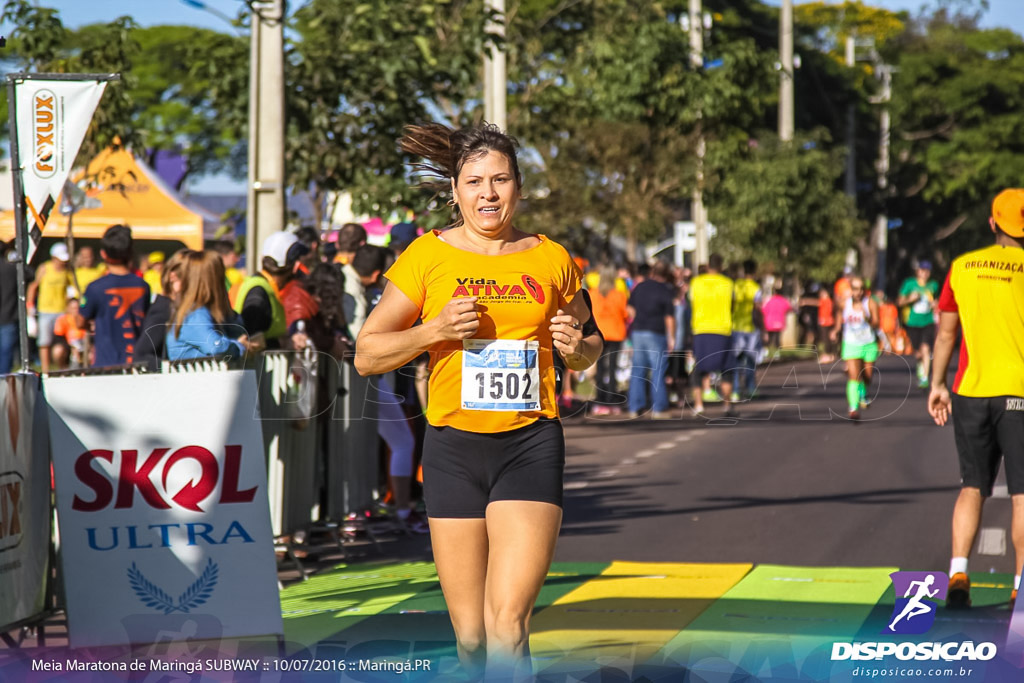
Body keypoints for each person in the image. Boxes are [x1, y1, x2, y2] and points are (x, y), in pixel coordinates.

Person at [355, 122, 596, 680]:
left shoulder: (551, 258)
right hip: (453, 451)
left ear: (518, 185)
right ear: (456, 191)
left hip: (530, 445)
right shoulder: (426, 256)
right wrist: (433, 329)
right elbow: (368, 354)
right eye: (474, 182)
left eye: (500, 179)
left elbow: (590, 340)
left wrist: (577, 351)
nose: (488, 193)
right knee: (471, 638)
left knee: (508, 624)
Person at [929, 188, 1024, 609]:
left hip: (970, 391)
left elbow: (947, 332)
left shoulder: (962, 267)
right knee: (1022, 494)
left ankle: (958, 572)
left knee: (972, 486)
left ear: (993, 224)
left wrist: (937, 384)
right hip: (1019, 393)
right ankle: (1020, 585)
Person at [78, 225, 150, 367]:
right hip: (138, 364)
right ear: (130, 253)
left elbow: (80, 322)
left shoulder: (95, 288)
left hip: (106, 366)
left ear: (103, 254)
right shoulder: (143, 286)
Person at [166, 250, 248, 361]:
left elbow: (236, 331)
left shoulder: (202, 310)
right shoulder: (195, 313)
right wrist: (239, 346)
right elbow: (215, 347)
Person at [626, 260, 675, 418]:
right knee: (657, 371)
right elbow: (669, 317)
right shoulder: (665, 290)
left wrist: (638, 319)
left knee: (638, 370)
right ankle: (658, 408)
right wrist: (672, 337)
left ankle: (635, 407)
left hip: (639, 331)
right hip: (656, 332)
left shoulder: (640, 286)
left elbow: (629, 308)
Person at [689, 254, 735, 417]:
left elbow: (691, 303)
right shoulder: (728, 284)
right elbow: (732, 305)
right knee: (727, 369)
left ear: (708, 265)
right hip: (722, 329)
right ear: (721, 266)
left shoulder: (696, 283)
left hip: (701, 329)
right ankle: (727, 405)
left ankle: (699, 404)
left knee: (698, 369)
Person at [830, 275, 879, 420]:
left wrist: (868, 318)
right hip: (851, 343)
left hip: (868, 344)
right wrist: (837, 329)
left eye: (861, 289)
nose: (858, 292)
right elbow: (839, 314)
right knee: (854, 376)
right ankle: (853, 407)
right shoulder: (845, 303)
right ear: (851, 290)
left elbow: (876, 323)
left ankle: (863, 393)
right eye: (855, 289)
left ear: (865, 290)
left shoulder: (870, 303)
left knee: (867, 376)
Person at [135, 249, 188, 370]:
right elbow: (142, 355)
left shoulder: (175, 307)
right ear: (173, 277)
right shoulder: (163, 309)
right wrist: (175, 371)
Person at [588, 265, 629, 415]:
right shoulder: (619, 295)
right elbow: (625, 314)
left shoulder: (592, 294)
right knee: (612, 368)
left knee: (600, 368)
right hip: (616, 333)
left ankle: (600, 399)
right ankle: (611, 400)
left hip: (599, 334)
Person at [27, 242, 72, 372]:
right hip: (45, 310)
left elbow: (70, 289)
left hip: (61, 311)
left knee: (62, 344)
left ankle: (61, 368)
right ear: (54, 257)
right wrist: (30, 307)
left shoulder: (66, 271)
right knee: (44, 342)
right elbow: (33, 287)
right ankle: (45, 370)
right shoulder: (45, 268)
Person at [898, 260, 939, 389]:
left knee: (926, 348)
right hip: (912, 322)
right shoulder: (909, 284)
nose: (924, 273)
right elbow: (899, 301)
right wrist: (910, 299)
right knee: (918, 352)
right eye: (922, 270)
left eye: (927, 271)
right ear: (918, 271)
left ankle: (925, 377)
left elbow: (938, 301)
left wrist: (935, 305)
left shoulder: (933, 285)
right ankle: (921, 368)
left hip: (928, 321)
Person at [731, 259, 762, 401]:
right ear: (754, 271)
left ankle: (735, 390)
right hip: (750, 327)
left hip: (735, 326)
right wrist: (762, 326)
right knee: (750, 360)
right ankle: (750, 388)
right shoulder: (755, 288)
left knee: (736, 360)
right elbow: (757, 309)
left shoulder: (736, 285)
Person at [0, 242, 19, 374]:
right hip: (9, 316)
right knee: (6, 355)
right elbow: (30, 274)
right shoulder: (11, 269)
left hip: (7, 316)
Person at [761, 283, 792, 356]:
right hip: (779, 322)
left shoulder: (769, 300)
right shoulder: (784, 301)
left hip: (769, 322)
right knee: (777, 338)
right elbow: (789, 308)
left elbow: (763, 310)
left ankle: (766, 352)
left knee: (769, 338)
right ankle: (777, 353)